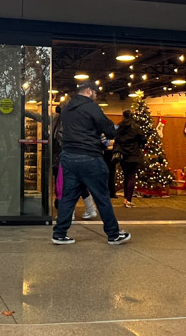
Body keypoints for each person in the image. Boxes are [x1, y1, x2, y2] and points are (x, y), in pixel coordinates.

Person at [51, 81, 130, 246]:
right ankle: (113, 234)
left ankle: (59, 234)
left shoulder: (66, 109)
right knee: (102, 196)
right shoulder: (91, 107)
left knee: (68, 197)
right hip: (89, 157)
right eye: (95, 92)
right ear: (88, 91)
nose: (96, 95)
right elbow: (109, 130)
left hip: (69, 157)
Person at [112, 109, 147, 207]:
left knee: (126, 177)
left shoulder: (120, 126)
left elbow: (116, 138)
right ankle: (128, 199)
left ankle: (125, 199)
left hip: (123, 155)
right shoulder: (136, 127)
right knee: (131, 177)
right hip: (134, 154)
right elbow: (144, 139)